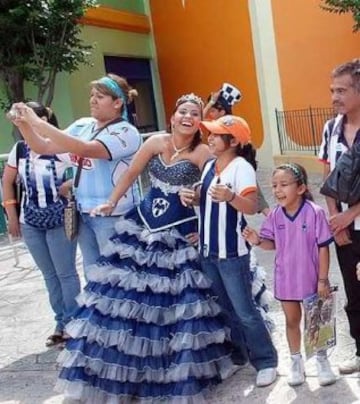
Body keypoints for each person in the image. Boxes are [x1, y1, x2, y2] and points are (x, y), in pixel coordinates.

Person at [50, 93, 241, 403]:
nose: (187, 116)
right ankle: (129, 372)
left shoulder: (203, 153)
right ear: (173, 116)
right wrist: (110, 202)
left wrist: (198, 201)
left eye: (194, 113)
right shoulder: (155, 143)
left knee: (180, 303)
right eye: (182, 111)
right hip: (142, 223)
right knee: (127, 299)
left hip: (179, 231)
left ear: (200, 121)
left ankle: (180, 370)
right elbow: (130, 173)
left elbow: (213, 190)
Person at [8, 74, 142, 277]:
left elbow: (86, 149)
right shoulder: (83, 125)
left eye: (100, 96)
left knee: (119, 276)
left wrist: (38, 122)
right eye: (91, 95)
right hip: (83, 213)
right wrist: (24, 124)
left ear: (118, 103)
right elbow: (42, 146)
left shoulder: (126, 132)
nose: (93, 100)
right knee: (93, 275)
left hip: (114, 216)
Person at [180, 115, 278, 388]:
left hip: (232, 252)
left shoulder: (241, 167)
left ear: (233, 141)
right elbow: (205, 200)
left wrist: (232, 197)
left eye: (215, 135)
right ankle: (239, 357)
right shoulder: (210, 165)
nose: (209, 138)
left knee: (245, 311)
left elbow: (251, 205)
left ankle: (266, 361)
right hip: (209, 250)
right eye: (209, 134)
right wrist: (191, 197)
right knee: (225, 309)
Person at [243, 163, 336, 387]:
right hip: (286, 280)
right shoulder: (275, 216)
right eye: (274, 186)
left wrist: (322, 280)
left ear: (301, 188)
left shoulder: (315, 213)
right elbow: (270, 244)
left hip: (313, 280)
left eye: (284, 185)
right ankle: (296, 361)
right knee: (292, 321)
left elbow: (323, 247)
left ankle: (322, 360)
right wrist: (256, 240)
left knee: (316, 321)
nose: (277, 190)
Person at [2, 101, 80, 348]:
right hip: (31, 221)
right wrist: (12, 215)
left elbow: (87, 167)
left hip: (59, 219)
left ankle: (74, 323)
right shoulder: (20, 150)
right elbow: (7, 181)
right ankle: (60, 323)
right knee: (49, 276)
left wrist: (70, 185)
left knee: (65, 273)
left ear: (43, 120)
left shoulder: (61, 146)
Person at [318, 58, 360, 375]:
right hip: (343, 230)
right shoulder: (331, 128)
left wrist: (352, 215)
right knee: (353, 292)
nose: (334, 97)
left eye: (342, 90)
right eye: (332, 90)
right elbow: (327, 176)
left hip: (353, 220)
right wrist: (336, 220)